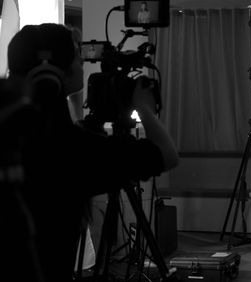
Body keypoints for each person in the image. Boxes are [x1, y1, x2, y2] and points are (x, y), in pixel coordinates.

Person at [4, 23, 179, 282]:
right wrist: (143, 108)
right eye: (77, 54)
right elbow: (167, 154)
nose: (83, 62)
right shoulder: (72, 149)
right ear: (52, 71)